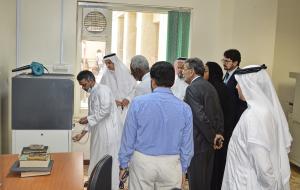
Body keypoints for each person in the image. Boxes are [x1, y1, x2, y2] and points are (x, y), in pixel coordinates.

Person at [119, 61, 194, 190]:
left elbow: (128, 137)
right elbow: (187, 143)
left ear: (152, 81)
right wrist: (183, 168)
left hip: (142, 163)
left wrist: (123, 163)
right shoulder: (185, 108)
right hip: (171, 164)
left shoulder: (138, 103)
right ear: (173, 82)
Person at [222, 64, 293, 190]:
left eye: (239, 84)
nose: (237, 87)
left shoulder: (255, 116)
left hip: (248, 183)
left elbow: (263, 164)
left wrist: (270, 186)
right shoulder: (260, 111)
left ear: (250, 86)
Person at [73, 70, 122, 190]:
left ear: (91, 80)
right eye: (81, 85)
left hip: (108, 133)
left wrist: (87, 119)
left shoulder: (103, 90)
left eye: (84, 84)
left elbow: (104, 111)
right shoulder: (92, 94)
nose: (83, 87)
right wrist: (82, 134)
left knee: (108, 161)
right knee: (96, 158)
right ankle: (96, 183)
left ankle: (110, 186)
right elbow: (93, 118)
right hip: (99, 132)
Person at [183, 57, 224, 190]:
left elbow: (200, 118)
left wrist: (213, 138)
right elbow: (218, 114)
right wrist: (217, 135)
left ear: (192, 71)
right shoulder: (209, 85)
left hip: (198, 143)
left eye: (184, 69)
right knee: (205, 181)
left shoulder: (192, 89)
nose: (182, 72)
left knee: (197, 183)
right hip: (208, 144)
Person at [204, 62, 235, 190]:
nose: (203, 73)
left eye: (206, 71)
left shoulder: (213, 89)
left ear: (212, 73)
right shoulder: (220, 86)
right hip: (223, 132)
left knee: (215, 166)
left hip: (217, 134)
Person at [101, 53, 136, 125]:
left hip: (128, 107)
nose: (108, 65)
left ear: (115, 61)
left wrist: (128, 98)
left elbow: (135, 88)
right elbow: (102, 93)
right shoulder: (105, 77)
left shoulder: (127, 73)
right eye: (106, 63)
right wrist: (113, 101)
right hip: (113, 109)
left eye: (109, 63)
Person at [222, 49, 247, 125]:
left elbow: (241, 99)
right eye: (223, 60)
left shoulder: (241, 75)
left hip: (234, 116)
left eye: (227, 61)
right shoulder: (226, 74)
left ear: (235, 62)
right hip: (226, 114)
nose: (224, 63)